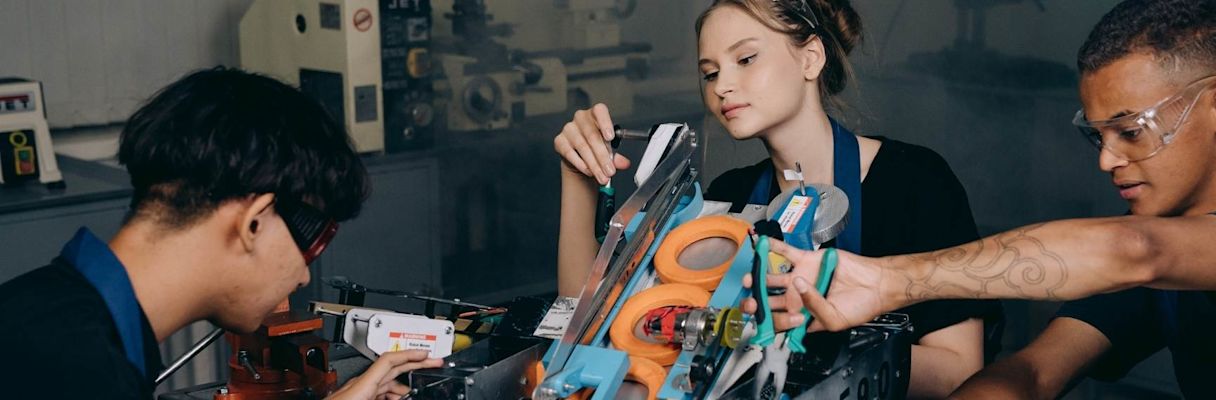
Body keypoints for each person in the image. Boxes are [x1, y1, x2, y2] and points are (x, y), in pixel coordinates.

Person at [755, 0, 1216, 398]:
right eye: (1097, 134)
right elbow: (1031, 372)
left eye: (1129, 131)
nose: (1108, 159)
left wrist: (889, 279)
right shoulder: (1167, 266)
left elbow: (1133, 252)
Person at [551, 0, 1002, 396]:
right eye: (709, 73)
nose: (721, 85)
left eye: (745, 59)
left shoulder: (915, 182)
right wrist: (578, 179)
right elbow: (590, 323)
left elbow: (957, 371)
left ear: (810, 59)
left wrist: (812, 338)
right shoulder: (729, 200)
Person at [0, 67, 442, 399]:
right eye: (313, 243)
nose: (305, 277)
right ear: (253, 222)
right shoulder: (74, 369)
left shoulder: (57, 317)